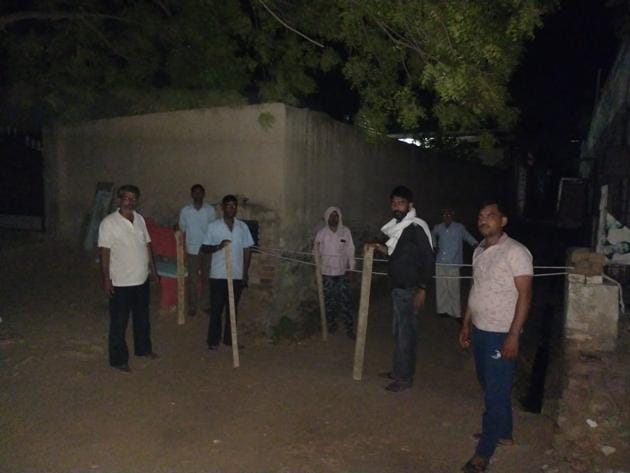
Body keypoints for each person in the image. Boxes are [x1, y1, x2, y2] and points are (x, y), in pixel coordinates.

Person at [458, 201, 533, 473]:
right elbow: (475, 288)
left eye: (490, 215)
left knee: (495, 392)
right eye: (480, 216)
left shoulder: (516, 252)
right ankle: (504, 433)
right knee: (490, 384)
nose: (484, 220)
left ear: (503, 221)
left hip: (501, 332)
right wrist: (466, 323)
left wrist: (513, 335)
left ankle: (484, 453)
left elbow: (525, 296)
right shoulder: (479, 250)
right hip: (480, 329)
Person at [367, 185, 434, 392]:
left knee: (406, 334)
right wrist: (378, 247)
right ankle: (398, 370)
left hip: (410, 290)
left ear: (410, 205)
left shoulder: (415, 227)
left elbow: (429, 258)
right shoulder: (399, 228)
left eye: (401, 203)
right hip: (397, 289)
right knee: (399, 332)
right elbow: (396, 254)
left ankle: (404, 378)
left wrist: (423, 289)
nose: (397, 206)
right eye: (394, 203)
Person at [98, 185, 159, 372]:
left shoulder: (139, 219)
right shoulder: (108, 223)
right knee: (119, 322)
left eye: (134, 198)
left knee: (142, 319)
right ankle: (118, 359)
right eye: (127, 198)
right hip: (120, 282)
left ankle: (143, 349)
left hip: (141, 279)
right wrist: (107, 279)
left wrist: (153, 269)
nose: (130, 201)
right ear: (119, 199)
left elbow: (147, 245)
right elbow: (105, 253)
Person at [201, 195, 254, 350]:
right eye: (228, 205)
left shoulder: (242, 227)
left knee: (233, 309)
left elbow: (247, 249)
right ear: (222, 208)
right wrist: (219, 246)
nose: (232, 208)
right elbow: (204, 248)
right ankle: (213, 341)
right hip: (218, 274)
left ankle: (229, 339)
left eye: (234, 206)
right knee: (217, 308)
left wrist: (245, 272)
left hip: (236, 274)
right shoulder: (213, 226)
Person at [313, 206, 356, 339]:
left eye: (336, 216)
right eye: (331, 216)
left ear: (340, 217)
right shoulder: (321, 234)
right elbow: (315, 252)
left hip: (343, 272)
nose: (334, 218)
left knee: (346, 301)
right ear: (327, 217)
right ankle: (331, 325)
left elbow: (351, 250)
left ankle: (349, 328)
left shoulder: (345, 231)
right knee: (329, 301)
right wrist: (317, 269)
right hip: (327, 273)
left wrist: (352, 269)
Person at [431, 208, 478, 320]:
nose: (446, 216)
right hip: (440, 262)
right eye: (444, 214)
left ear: (452, 216)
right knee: (441, 288)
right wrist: (434, 245)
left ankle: (456, 313)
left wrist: (477, 245)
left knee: (453, 289)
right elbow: (431, 235)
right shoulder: (439, 227)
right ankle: (442, 311)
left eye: (449, 214)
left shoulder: (459, 227)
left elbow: (468, 237)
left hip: (453, 262)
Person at [178, 184, 216, 316]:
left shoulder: (210, 210)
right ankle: (192, 306)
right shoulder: (185, 211)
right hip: (192, 249)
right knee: (192, 279)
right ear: (192, 195)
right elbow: (182, 228)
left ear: (204, 194)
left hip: (207, 248)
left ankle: (205, 304)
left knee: (207, 278)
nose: (198, 195)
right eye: (195, 192)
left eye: (200, 192)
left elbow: (213, 228)